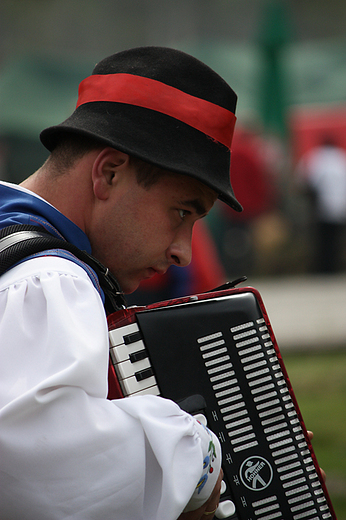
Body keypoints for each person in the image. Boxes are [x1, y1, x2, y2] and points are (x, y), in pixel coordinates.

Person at [0, 46, 242, 520]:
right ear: (109, 172)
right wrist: (201, 460)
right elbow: (45, 468)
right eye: (182, 211)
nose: (183, 252)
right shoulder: (50, 278)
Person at [296, 135, 346, 273]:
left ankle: (323, 268)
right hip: (340, 206)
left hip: (320, 207)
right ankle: (334, 267)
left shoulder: (315, 157)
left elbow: (304, 182)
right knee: (336, 239)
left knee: (322, 240)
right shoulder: (341, 158)